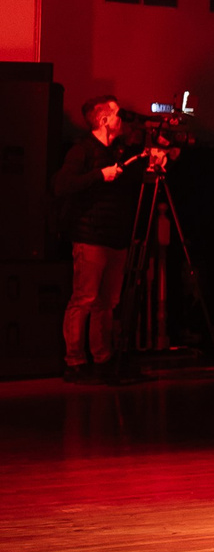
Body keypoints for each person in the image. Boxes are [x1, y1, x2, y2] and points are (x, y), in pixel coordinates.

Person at [53, 96, 145, 384]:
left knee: (106, 301)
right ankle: (75, 361)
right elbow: (61, 185)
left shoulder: (118, 150)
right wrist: (98, 175)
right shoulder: (82, 151)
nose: (122, 119)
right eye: (118, 114)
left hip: (115, 237)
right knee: (85, 298)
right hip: (90, 236)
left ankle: (102, 357)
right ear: (104, 120)